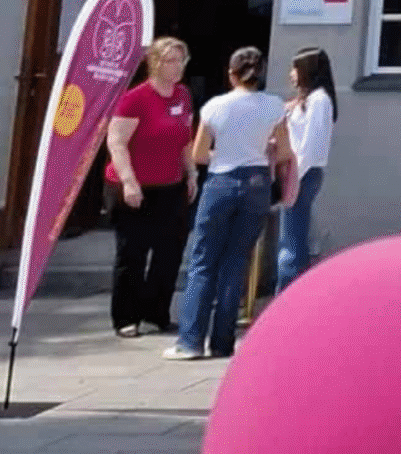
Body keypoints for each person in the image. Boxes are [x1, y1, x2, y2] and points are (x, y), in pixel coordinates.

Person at [171, 46, 289, 362]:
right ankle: (223, 342)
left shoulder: (214, 106)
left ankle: (191, 341)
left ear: (231, 74)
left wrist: (223, 153)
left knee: (203, 261)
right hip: (256, 182)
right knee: (236, 262)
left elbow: (198, 154)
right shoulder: (274, 105)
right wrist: (263, 149)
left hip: (221, 180)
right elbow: (285, 152)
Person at [103, 37, 196, 338]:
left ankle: (156, 313)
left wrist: (191, 173)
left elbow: (185, 139)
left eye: (181, 60)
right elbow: (117, 142)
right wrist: (129, 182)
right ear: (155, 64)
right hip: (135, 186)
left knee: (169, 251)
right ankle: (125, 317)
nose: (177, 67)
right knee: (133, 253)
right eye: (171, 61)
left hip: (170, 185)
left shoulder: (183, 95)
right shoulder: (135, 98)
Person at [275, 46, 339, 292]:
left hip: (303, 172)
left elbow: (310, 145)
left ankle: (287, 293)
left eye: (295, 68)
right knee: (294, 235)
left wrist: (293, 177)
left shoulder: (319, 100)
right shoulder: (306, 100)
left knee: (291, 240)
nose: (291, 74)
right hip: (299, 171)